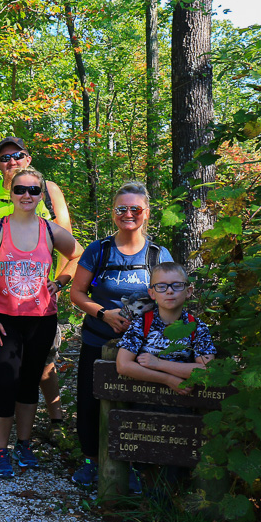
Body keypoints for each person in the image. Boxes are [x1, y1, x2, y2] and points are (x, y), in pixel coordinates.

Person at [0, 168, 81, 478]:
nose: (26, 195)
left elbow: (77, 255)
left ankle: (24, 444)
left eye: (34, 190)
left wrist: (60, 282)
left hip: (41, 320)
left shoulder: (49, 230)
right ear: (11, 193)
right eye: (20, 189)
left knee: (29, 384)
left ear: (40, 196)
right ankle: (0, 451)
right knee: (5, 383)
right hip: (3, 321)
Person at [68, 181, 174, 487]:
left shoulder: (157, 253)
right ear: (114, 212)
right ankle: (92, 461)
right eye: (121, 208)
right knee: (90, 402)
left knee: (137, 403)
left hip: (143, 346)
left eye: (135, 209)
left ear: (146, 213)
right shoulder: (98, 250)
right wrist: (104, 314)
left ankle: (136, 466)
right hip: (97, 341)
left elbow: (168, 297)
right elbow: (77, 294)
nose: (128, 214)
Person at [115, 262, 216, 392]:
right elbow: (123, 365)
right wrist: (168, 379)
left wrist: (158, 363)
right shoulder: (142, 323)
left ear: (188, 291)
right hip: (142, 402)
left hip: (185, 405)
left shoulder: (196, 327)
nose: (169, 291)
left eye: (177, 286)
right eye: (161, 286)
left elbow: (207, 370)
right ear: (152, 293)